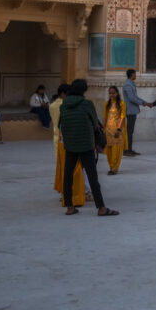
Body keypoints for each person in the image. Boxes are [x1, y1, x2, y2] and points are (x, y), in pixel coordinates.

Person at [59, 78, 118, 217]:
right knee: (92, 177)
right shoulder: (87, 104)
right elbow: (94, 123)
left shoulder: (63, 105)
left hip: (70, 144)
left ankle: (69, 206)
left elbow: (61, 124)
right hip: (86, 144)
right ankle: (101, 208)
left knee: (68, 176)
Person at [51, 83, 86, 208]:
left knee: (64, 170)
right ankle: (76, 197)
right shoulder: (67, 105)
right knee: (76, 171)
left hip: (59, 140)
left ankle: (65, 196)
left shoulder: (54, 105)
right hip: (72, 142)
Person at [103, 85, 128, 175]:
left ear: (117, 93)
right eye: (110, 93)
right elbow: (105, 117)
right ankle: (111, 166)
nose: (111, 95)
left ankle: (115, 168)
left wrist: (119, 129)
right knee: (109, 149)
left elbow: (123, 117)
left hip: (118, 130)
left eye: (113, 93)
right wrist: (103, 128)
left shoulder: (121, 103)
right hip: (108, 130)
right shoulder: (106, 104)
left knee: (116, 149)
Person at [122, 69, 146, 157]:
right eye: (135, 74)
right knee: (129, 131)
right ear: (132, 74)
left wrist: (144, 102)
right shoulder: (127, 84)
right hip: (130, 110)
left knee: (130, 131)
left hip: (133, 110)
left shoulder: (131, 83)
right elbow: (132, 98)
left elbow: (135, 97)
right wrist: (143, 103)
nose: (136, 75)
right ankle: (127, 150)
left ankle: (130, 149)